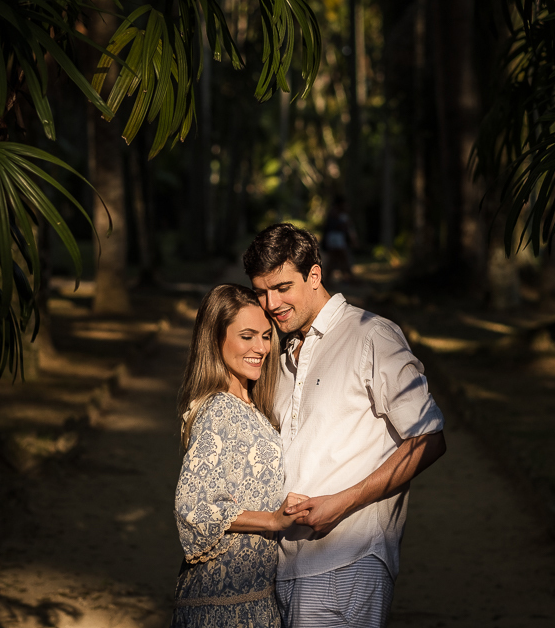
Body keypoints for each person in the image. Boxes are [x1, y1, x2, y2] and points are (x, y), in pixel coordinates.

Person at [243, 224, 446, 628]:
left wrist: (343, 502)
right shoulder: (281, 354)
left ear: (314, 275)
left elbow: (429, 438)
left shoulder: (372, 336)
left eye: (283, 288)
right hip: (286, 567)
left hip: (349, 561)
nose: (271, 303)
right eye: (262, 292)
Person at [172, 284, 310, 627]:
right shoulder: (218, 409)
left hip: (255, 597)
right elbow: (193, 506)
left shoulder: (253, 408)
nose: (261, 348)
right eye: (247, 336)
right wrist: (273, 521)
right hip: (221, 604)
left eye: (265, 336)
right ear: (215, 339)